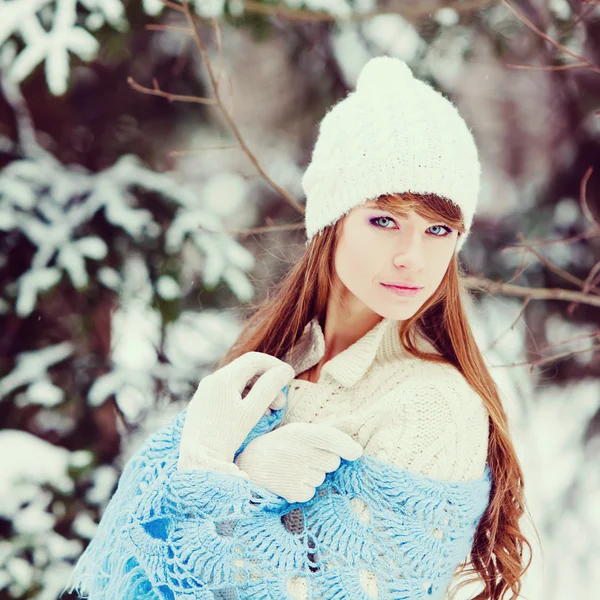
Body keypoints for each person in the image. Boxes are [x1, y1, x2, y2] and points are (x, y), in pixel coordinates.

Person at [65, 56, 533, 600]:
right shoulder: (279, 361)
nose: (414, 257)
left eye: (439, 229)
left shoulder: (432, 406)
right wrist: (226, 467)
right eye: (385, 220)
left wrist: (216, 482)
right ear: (330, 223)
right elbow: (120, 548)